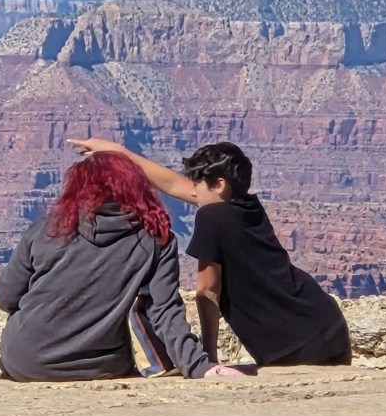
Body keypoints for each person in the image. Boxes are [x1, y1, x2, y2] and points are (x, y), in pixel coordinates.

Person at [68, 138, 352, 369]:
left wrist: (207, 357)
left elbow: (207, 292)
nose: (192, 191)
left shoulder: (211, 217)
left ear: (219, 184)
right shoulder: (248, 206)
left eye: (198, 183)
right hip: (325, 323)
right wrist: (120, 152)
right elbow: (173, 184)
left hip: (295, 343)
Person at [0, 151, 246, 381]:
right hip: (99, 366)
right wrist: (199, 366)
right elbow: (164, 310)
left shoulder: (45, 230)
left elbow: (6, 297)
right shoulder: (156, 239)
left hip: (24, 362)